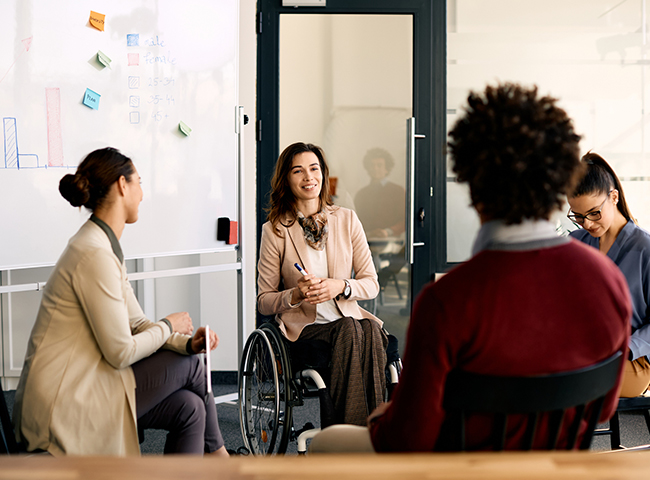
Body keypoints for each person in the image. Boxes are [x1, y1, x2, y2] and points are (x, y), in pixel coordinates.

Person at [311, 83, 631, 452]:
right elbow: (604, 405)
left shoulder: (447, 301)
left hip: (463, 468)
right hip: (555, 467)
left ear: (473, 185)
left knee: (326, 443)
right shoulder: (608, 280)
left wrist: (382, 417)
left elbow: (408, 437)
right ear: (559, 182)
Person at [13, 147, 228, 457]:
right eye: (138, 182)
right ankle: (222, 460)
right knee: (193, 368)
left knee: (190, 407)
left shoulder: (104, 246)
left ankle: (216, 460)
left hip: (93, 384)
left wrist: (184, 343)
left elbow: (138, 324)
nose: (142, 194)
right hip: (65, 403)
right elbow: (120, 352)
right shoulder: (93, 253)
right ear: (122, 185)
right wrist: (169, 326)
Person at [257, 142, 387, 427]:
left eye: (314, 169)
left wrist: (339, 286)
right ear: (286, 179)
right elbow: (264, 299)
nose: (308, 177)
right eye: (298, 171)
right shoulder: (276, 230)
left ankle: (364, 432)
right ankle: (357, 435)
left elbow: (371, 284)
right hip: (305, 328)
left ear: (323, 174)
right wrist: (295, 294)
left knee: (369, 330)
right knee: (353, 329)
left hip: (348, 318)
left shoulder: (347, 219)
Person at [567, 152, 650, 398]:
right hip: (583, 352)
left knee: (558, 380)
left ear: (613, 197)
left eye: (594, 213)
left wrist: (626, 347)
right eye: (578, 216)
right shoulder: (575, 243)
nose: (587, 224)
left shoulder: (645, 249)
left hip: (630, 360)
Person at [354, 148, 405, 238]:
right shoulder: (361, 194)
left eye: (379, 165)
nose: (375, 169)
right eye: (372, 165)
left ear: (387, 169)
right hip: (367, 240)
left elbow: (405, 219)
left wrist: (388, 231)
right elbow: (357, 220)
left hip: (393, 242)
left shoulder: (398, 191)